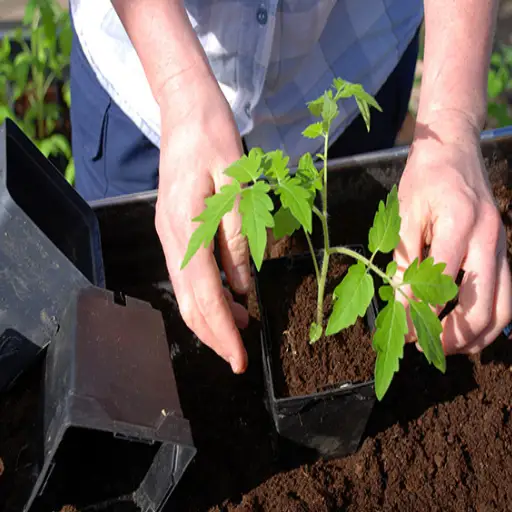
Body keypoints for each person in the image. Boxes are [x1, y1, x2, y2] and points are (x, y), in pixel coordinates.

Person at [69, 0, 511, 374]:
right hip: (146, 64)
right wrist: (178, 86)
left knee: (368, 240)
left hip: (348, 50)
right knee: (122, 318)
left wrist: (452, 124)